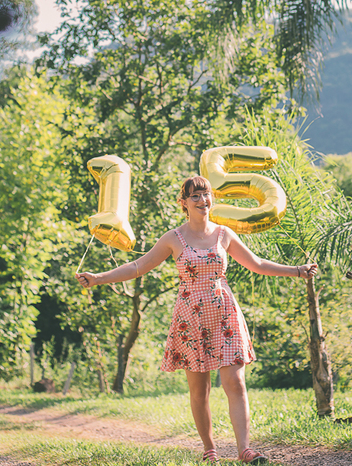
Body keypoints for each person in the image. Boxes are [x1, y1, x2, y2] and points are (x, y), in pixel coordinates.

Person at [76, 174, 318, 464]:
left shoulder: (223, 234)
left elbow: (257, 264)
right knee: (199, 389)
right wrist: (98, 278)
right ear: (184, 203)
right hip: (190, 318)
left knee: (236, 383)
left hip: (224, 313)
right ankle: (209, 449)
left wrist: (296, 270)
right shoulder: (173, 238)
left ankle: (245, 450)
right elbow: (138, 266)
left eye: (206, 195)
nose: (203, 200)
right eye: (195, 196)